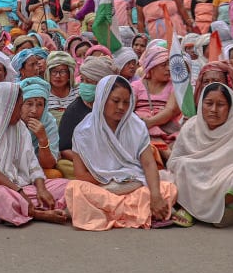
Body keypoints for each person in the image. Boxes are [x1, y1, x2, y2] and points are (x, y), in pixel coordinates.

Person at [64, 75, 179, 230]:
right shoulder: (83, 131)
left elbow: (148, 163)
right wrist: (113, 178)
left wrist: (155, 195)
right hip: (103, 187)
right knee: (75, 189)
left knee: (168, 188)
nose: (121, 107)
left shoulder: (137, 126)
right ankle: (140, 212)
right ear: (102, 99)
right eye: (116, 101)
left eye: (126, 102)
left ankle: (110, 213)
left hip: (134, 185)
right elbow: (80, 175)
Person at [162, 82, 233, 227]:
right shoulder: (191, 126)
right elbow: (174, 160)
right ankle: (207, 212)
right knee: (182, 165)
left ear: (230, 107)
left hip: (226, 182)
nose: (213, 110)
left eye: (220, 104)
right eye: (208, 103)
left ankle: (223, 211)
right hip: (198, 178)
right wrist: (200, 166)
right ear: (201, 104)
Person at [0, 83, 69, 226]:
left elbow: (32, 163)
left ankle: (21, 208)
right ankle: (38, 213)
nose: (20, 112)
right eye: (19, 106)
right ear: (5, 107)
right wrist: (20, 193)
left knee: (67, 185)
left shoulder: (19, 127)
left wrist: (41, 189)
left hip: (23, 186)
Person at [57, 56, 115, 179]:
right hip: (84, 163)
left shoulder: (116, 106)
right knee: (63, 166)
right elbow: (64, 148)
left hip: (115, 159)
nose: (84, 85)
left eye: (89, 82)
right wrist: (90, 161)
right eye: (82, 80)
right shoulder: (74, 110)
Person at [132, 47, 181, 161]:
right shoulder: (136, 86)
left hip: (167, 129)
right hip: (141, 130)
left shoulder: (173, 86)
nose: (168, 69)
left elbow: (170, 111)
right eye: (163, 65)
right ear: (152, 67)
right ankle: (169, 157)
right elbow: (129, 110)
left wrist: (150, 122)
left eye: (169, 64)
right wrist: (143, 123)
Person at [45, 51, 78, 122]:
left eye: (63, 72)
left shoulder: (78, 92)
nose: (58, 76)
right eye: (54, 71)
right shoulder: (44, 93)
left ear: (70, 74)